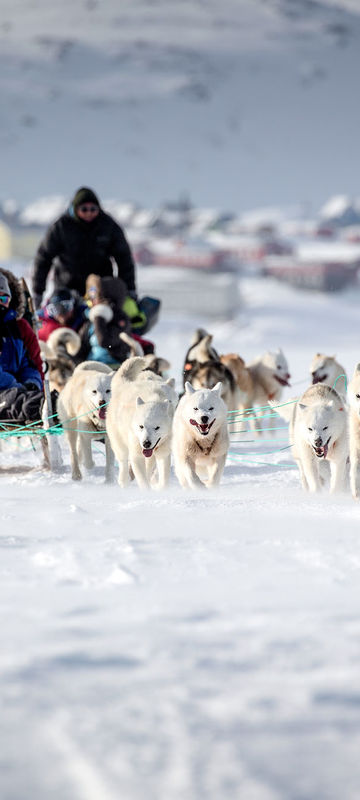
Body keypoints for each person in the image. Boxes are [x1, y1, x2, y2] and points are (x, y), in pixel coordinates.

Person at [31, 186, 138, 309]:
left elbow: (124, 258)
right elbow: (43, 258)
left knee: (102, 320)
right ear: (75, 208)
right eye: (84, 209)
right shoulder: (62, 227)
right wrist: (38, 292)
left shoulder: (108, 226)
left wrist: (129, 289)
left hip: (99, 289)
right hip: (67, 287)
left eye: (93, 209)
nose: (89, 213)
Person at [0, 270, 44, 422]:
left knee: (34, 399)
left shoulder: (15, 330)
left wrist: (31, 383)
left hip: (17, 391)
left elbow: (28, 364)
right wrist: (16, 386)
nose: (0, 302)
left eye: (4, 298)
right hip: (8, 393)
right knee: (21, 403)